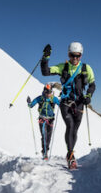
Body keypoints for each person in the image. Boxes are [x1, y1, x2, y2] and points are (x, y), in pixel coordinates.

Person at [41, 41, 95, 169]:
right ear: (68, 54)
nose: (75, 59)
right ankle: (71, 157)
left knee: (75, 130)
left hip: (80, 103)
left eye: (77, 56)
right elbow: (45, 72)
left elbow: (92, 84)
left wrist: (88, 95)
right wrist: (45, 58)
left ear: (81, 55)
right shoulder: (62, 67)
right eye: (72, 55)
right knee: (70, 126)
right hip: (66, 102)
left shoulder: (86, 68)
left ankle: (69, 152)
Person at [26, 83, 60, 160]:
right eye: (47, 92)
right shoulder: (40, 98)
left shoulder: (54, 99)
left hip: (51, 120)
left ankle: (46, 150)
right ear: (44, 92)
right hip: (42, 119)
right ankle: (45, 153)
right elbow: (31, 105)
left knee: (49, 137)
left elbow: (60, 104)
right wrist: (29, 102)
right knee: (44, 136)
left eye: (50, 92)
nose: (49, 94)